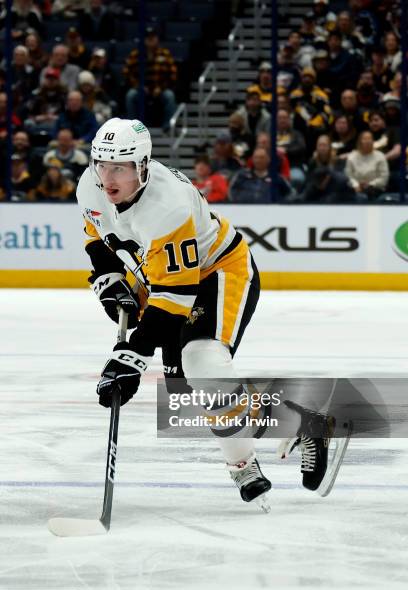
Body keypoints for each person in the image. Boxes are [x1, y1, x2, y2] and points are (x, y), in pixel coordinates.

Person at [76, 119, 335, 503]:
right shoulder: (90, 185)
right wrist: (110, 281)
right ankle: (300, 423)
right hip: (163, 276)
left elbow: (176, 297)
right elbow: (97, 238)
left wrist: (130, 355)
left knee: (203, 363)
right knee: (187, 386)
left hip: (218, 272)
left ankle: (245, 460)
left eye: (121, 167)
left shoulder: (167, 205)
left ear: (143, 166)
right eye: (102, 164)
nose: (108, 177)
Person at [123, 27, 177, 131]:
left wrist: (161, 87)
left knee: (170, 96)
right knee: (130, 95)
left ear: (157, 39)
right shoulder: (136, 54)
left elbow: (173, 74)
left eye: (153, 37)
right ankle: (134, 128)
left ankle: (167, 127)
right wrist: (138, 86)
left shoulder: (165, 53)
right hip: (140, 88)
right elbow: (126, 72)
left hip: (160, 89)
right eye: (148, 38)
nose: (150, 40)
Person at [345, 131, 389, 201]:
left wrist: (370, 184)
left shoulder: (380, 156)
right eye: (365, 139)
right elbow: (348, 175)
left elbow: (384, 178)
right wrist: (355, 185)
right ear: (360, 141)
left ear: (373, 141)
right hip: (355, 189)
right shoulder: (352, 156)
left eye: (369, 139)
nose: (367, 141)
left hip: (375, 189)